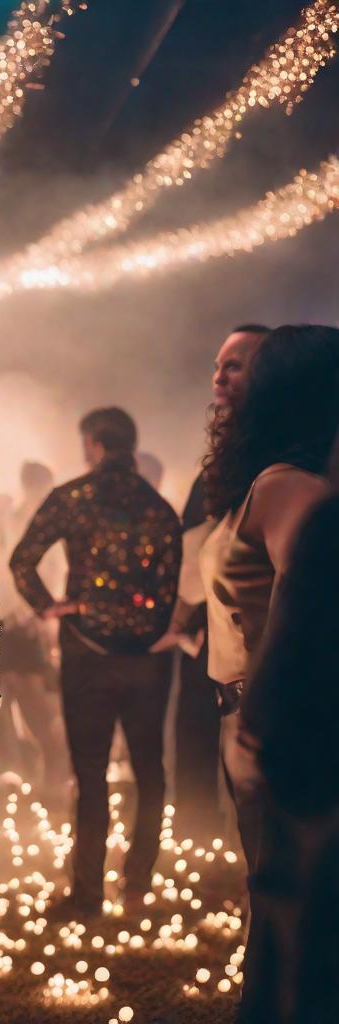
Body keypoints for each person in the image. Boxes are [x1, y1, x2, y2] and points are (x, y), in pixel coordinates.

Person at [197, 324, 339, 1023]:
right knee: (275, 906)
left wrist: (270, 709)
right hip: (253, 715)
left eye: (242, 368)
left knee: (290, 915)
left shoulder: (287, 486)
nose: (225, 381)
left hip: (278, 724)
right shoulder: (263, 479)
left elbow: (317, 578)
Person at [10, 407, 181, 917]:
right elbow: (169, 586)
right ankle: (136, 888)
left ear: (93, 444)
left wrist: (49, 607)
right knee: (150, 770)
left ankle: (86, 894)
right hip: (149, 657)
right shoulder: (159, 509)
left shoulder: (73, 498)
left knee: (90, 773)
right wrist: (152, 628)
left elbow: (23, 560)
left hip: (86, 651)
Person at [154, 324, 270, 843]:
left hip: (260, 652)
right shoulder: (235, 455)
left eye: (235, 365)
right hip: (228, 646)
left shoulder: (266, 462)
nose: (217, 376)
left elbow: (204, 553)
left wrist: (178, 618)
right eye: (217, 365)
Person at [0, 464, 69, 805]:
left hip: (33, 626)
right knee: (3, 702)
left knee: (39, 704)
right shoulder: (3, 522)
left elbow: (54, 572)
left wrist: (44, 619)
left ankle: (51, 782)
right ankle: (16, 778)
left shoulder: (50, 527)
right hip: (9, 623)